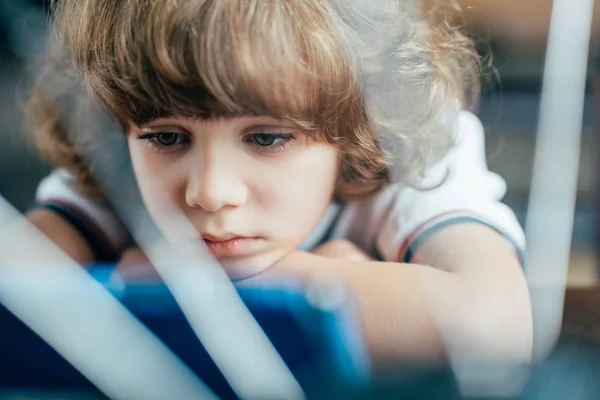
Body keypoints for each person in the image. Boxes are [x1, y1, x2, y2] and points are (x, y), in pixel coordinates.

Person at [26, 0, 532, 368]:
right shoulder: (116, 160)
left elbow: (492, 325)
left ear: (364, 124)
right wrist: (335, 282)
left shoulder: (406, 155)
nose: (210, 192)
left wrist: (291, 286)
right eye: (167, 137)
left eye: (266, 138)